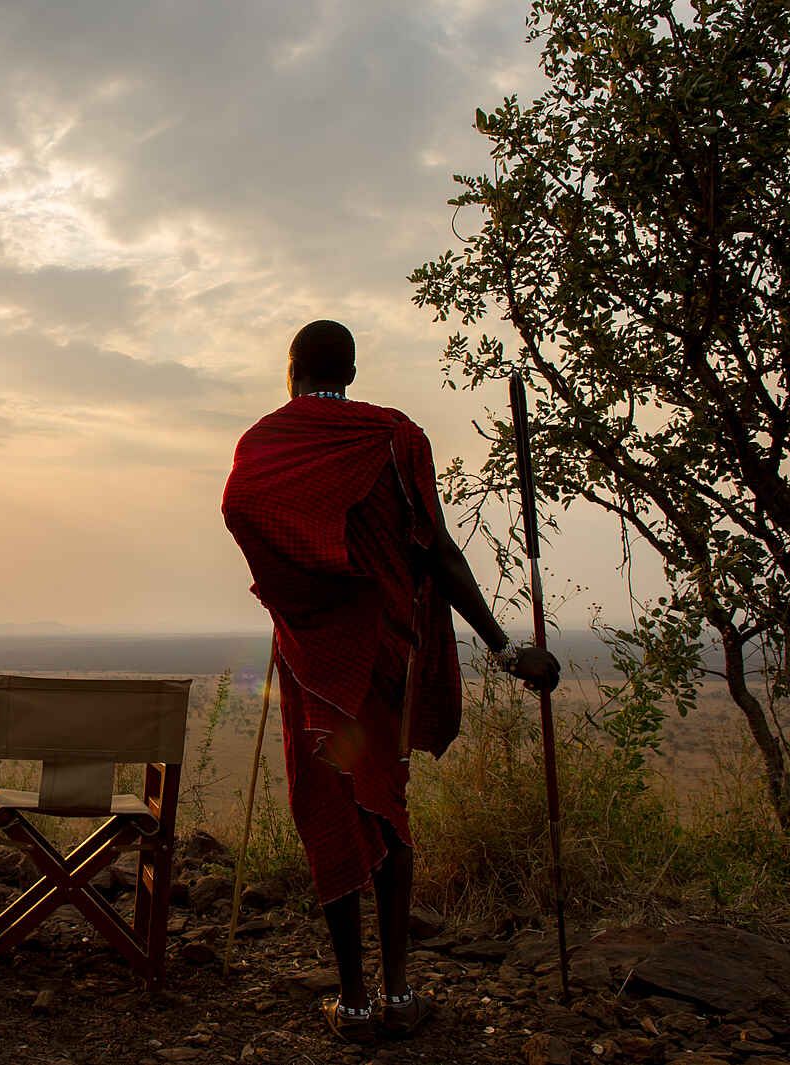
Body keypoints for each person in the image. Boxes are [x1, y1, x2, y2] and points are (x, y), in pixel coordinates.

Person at [221, 321, 558, 1043]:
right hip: (383, 656)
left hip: (315, 662)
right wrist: (505, 649)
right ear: (350, 368)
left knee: (329, 804)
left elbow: (241, 511)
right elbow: (435, 549)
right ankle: (400, 991)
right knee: (384, 805)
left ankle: (354, 1003)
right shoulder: (395, 438)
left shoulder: (264, 444)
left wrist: (302, 588)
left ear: (291, 371)